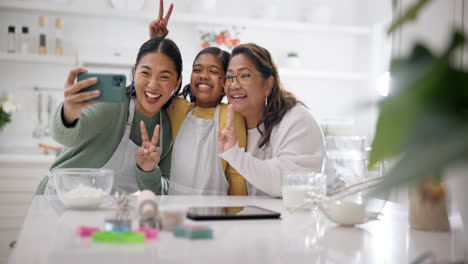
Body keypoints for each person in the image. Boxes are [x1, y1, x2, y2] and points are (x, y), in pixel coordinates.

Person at [35, 37, 183, 195]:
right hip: (59, 199)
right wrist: (69, 112)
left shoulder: (168, 129)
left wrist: (148, 171)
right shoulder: (112, 105)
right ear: (134, 73)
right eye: (145, 72)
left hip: (108, 211)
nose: (153, 85)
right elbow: (67, 137)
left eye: (164, 77)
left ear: (177, 82)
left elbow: (162, 190)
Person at [149, 0, 248, 195]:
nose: (203, 75)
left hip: (214, 217)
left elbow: (237, 175)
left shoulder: (230, 115)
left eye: (213, 71)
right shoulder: (178, 108)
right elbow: (153, 81)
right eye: (197, 69)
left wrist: (238, 219)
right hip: (175, 213)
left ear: (225, 82)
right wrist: (156, 43)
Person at [218, 43, 325, 197]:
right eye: (229, 77)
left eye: (244, 75)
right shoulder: (231, 123)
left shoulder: (297, 120)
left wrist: (234, 154)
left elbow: (288, 183)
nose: (234, 85)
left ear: (268, 84)